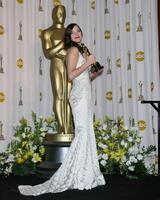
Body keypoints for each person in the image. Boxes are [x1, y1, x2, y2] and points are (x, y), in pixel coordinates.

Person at [18, 23, 105, 196]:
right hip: (79, 97)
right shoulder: (72, 51)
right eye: (73, 32)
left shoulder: (81, 50)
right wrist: (88, 63)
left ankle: (85, 173)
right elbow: (71, 75)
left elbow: (82, 76)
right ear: (69, 36)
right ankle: (74, 174)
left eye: (79, 30)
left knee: (87, 132)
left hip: (85, 95)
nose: (77, 33)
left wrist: (94, 72)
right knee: (81, 132)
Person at [41, 5, 72, 135]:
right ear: (53, 15)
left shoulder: (70, 32)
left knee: (69, 98)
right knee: (59, 96)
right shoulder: (47, 32)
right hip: (56, 65)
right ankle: (61, 127)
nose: (61, 16)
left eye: (63, 13)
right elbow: (48, 54)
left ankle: (69, 127)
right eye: (59, 13)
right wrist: (62, 44)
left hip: (70, 66)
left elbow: (73, 51)